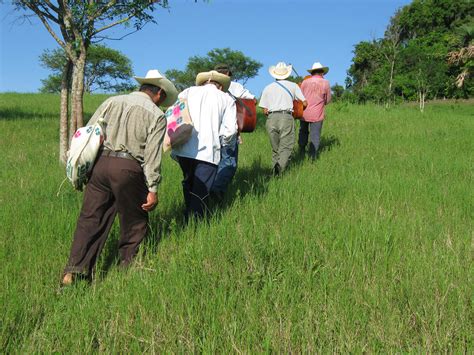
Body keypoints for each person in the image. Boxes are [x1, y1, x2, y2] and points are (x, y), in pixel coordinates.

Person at [62, 69, 178, 285]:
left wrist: (84, 167)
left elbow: (88, 132)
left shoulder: (112, 101)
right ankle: (126, 270)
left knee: (90, 218)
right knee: (134, 221)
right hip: (128, 167)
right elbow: (152, 155)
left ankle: (74, 270)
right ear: (159, 93)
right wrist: (153, 188)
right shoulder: (156, 115)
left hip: (100, 164)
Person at [172, 70, 237, 219]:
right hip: (208, 150)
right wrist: (224, 144)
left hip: (183, 148)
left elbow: (175, 117)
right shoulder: (226, 99)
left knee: (189, 182)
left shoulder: (186, 92)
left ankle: (187, 216)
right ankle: (194, 223)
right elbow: (231, 130)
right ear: (220, 86)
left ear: (202, 83)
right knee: (201, 190)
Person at [211, 63, 256, 199]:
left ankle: (209, 189)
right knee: (229, 163)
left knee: (212, 163)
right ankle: (217, 190)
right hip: (228, 131)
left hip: (208, 132)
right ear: (228, 74)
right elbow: (253, 99)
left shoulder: (204, 88)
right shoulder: (235, 86)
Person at [259, 62, 307, 175]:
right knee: (286, 146)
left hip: (271, 118)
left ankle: (275, 173)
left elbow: (264, 110)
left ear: (275, 74)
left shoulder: (268, 88)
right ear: (287, 74)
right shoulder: (293, 85)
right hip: (286, 116)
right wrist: (298, 110)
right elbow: (305, 103)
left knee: (275, 148)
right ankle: (280, 167)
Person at [299, 62, 331, 160]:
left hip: (304, 113)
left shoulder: (305, 82)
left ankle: (302, 151)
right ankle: (313, 157)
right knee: (315, 134)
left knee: (303, 132)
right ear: (322, 72)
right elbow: (328, 100)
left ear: (312, 72)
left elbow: (300, 97)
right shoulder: (325, 82)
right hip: (317, 114)